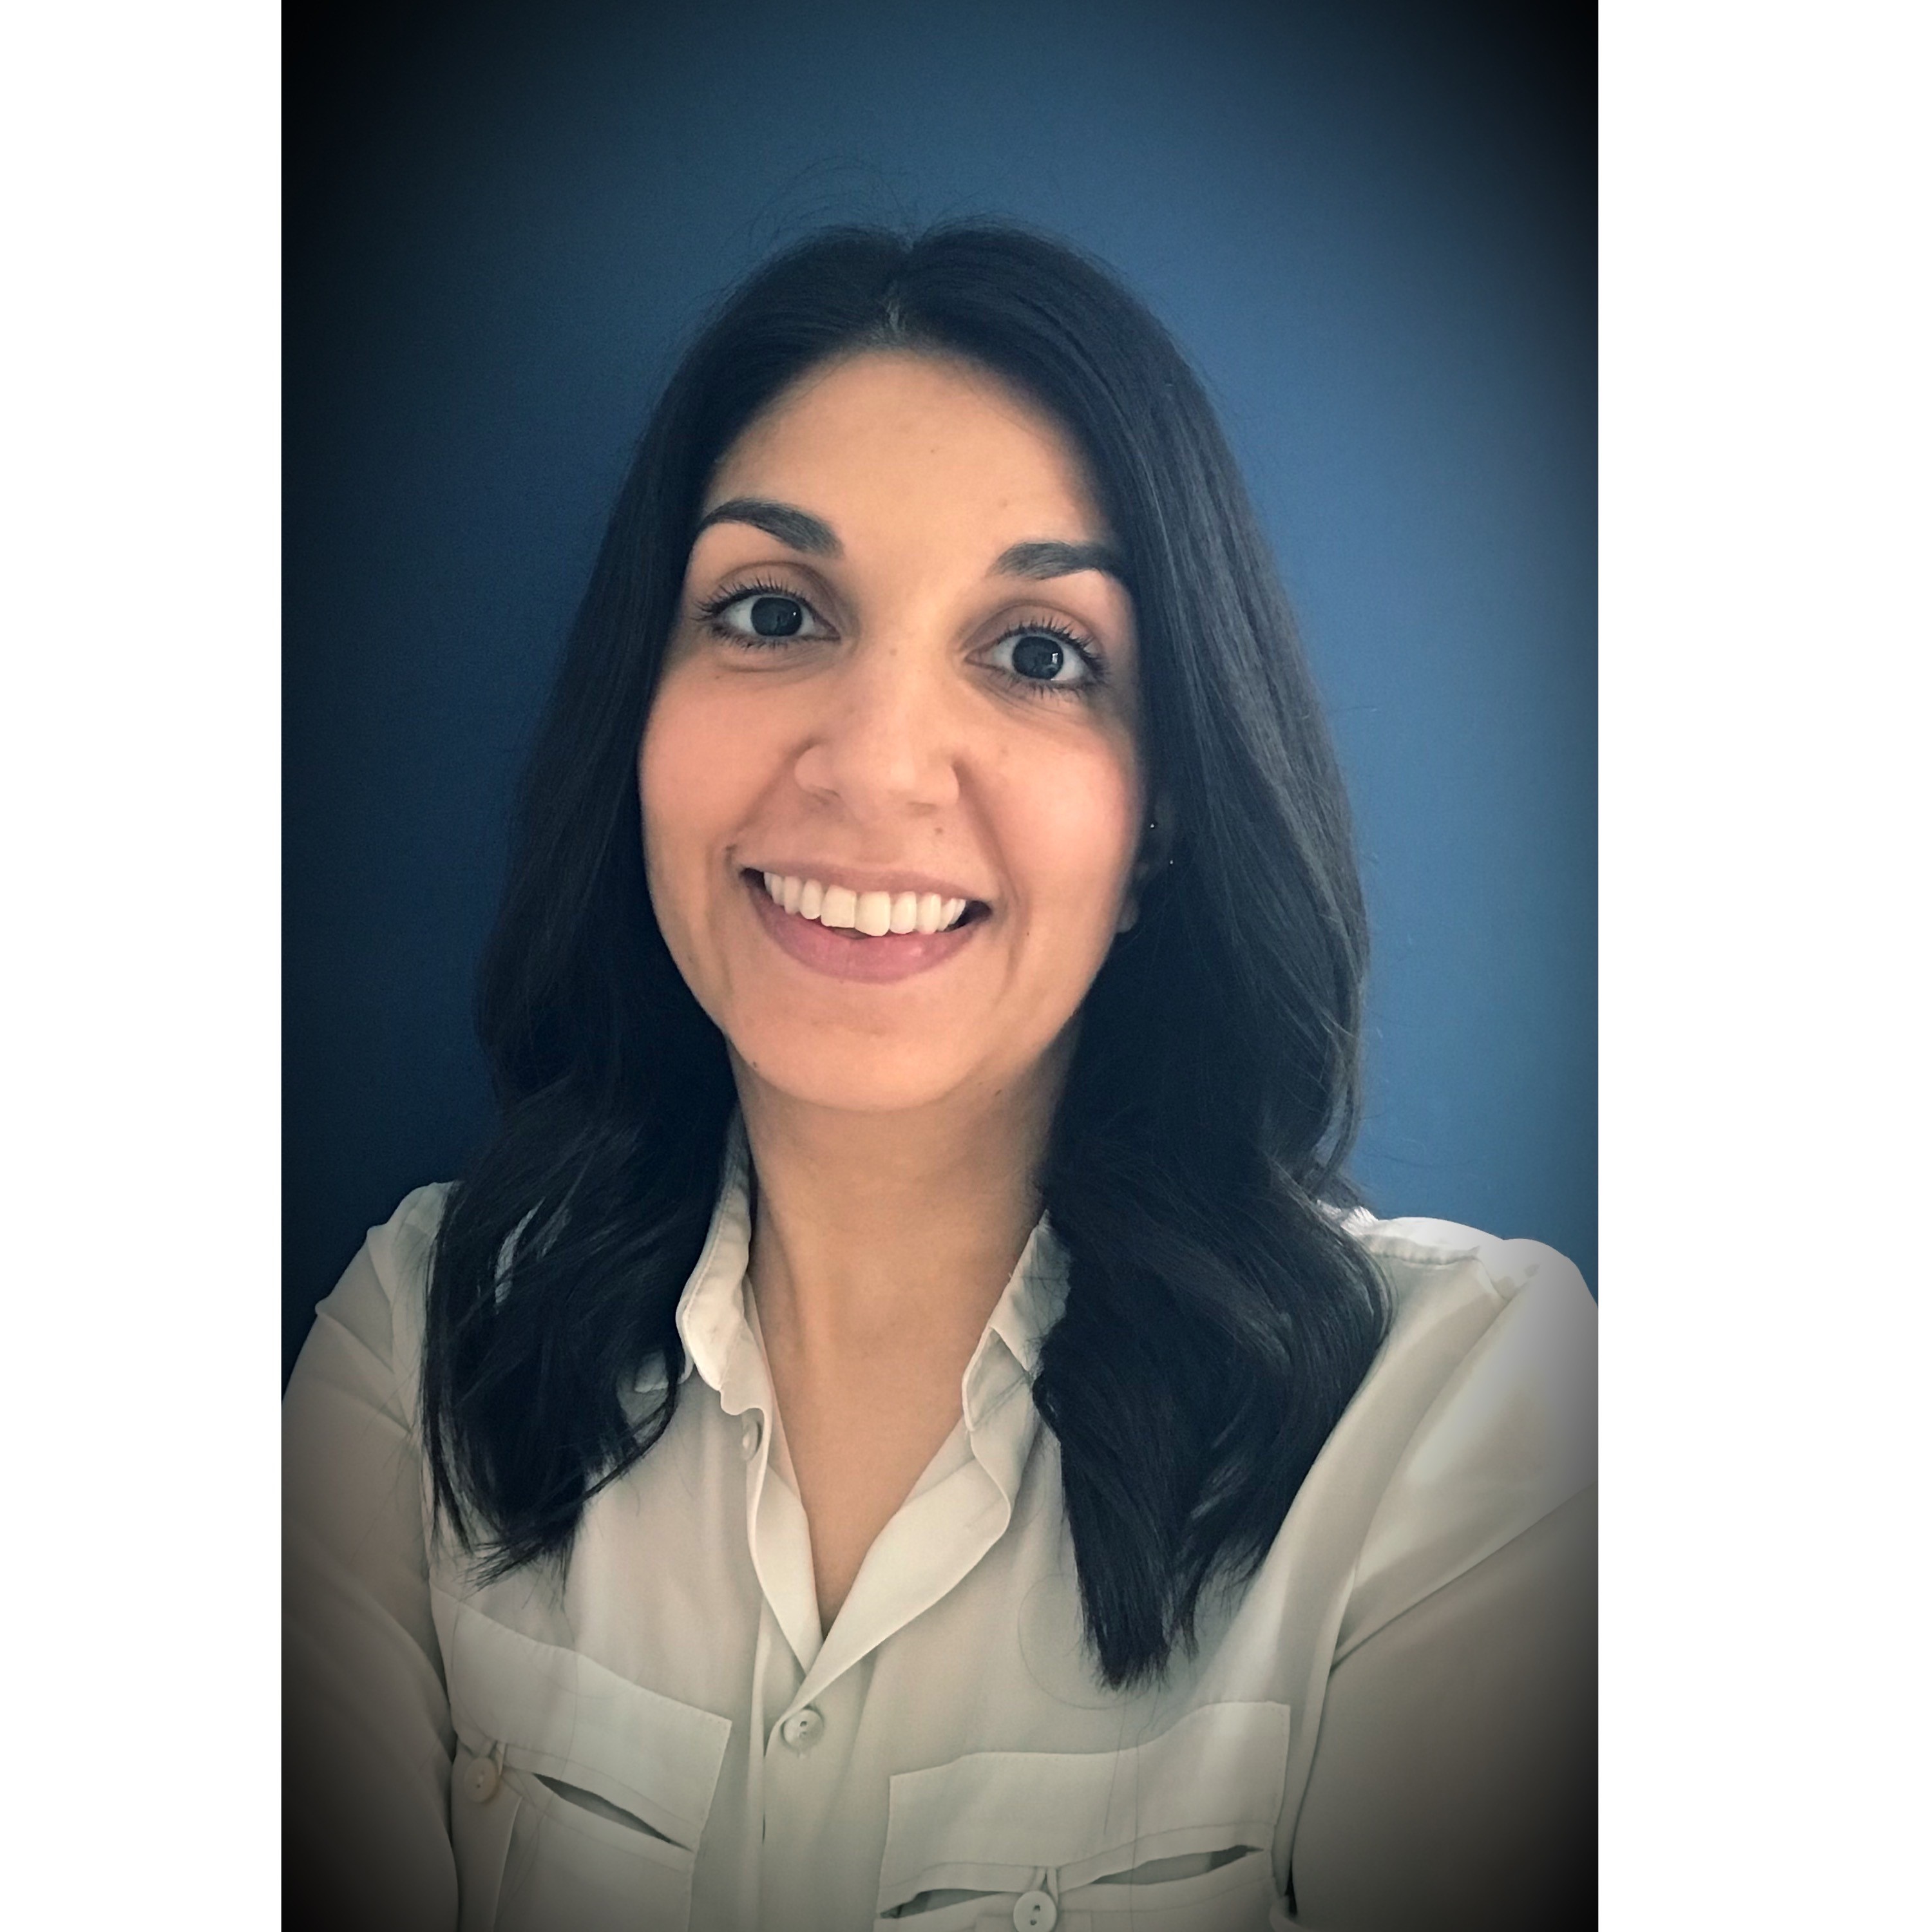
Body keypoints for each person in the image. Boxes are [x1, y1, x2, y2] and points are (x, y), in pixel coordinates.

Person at [283, 224, 1596, 1932]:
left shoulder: (1458, 1423)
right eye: (772, 614)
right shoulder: (418, 1352)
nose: (878, 768)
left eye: (1041, 653)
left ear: (1163, 822)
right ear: (639, 720)